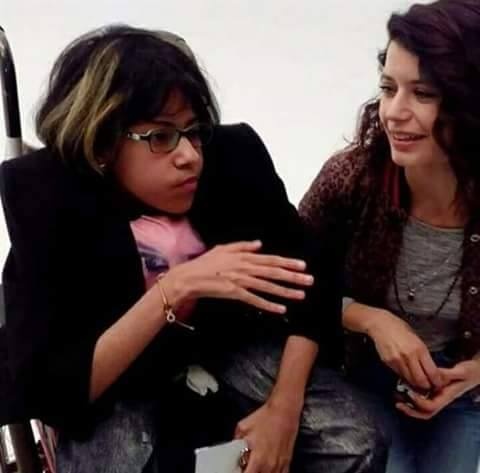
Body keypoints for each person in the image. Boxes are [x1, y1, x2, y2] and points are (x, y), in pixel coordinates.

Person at [0, 26, 386, 473]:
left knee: (358, 441)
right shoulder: (48, 199)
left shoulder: (232, 159)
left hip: (224, 344)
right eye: (161, 137)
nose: (190, 156)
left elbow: (309, 284)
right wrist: (176, 287)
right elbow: (54, 391)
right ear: (103, 141)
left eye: (193, 131)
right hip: (114, 375)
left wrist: (284, 409)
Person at [299, 1, 480, 472]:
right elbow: (286, 281)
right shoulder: (352, 178)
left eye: (423, 93)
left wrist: (475, 372)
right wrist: (372, 320)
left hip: (459, 390)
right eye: (388, 88)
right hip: (355, 377)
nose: (394, 112)